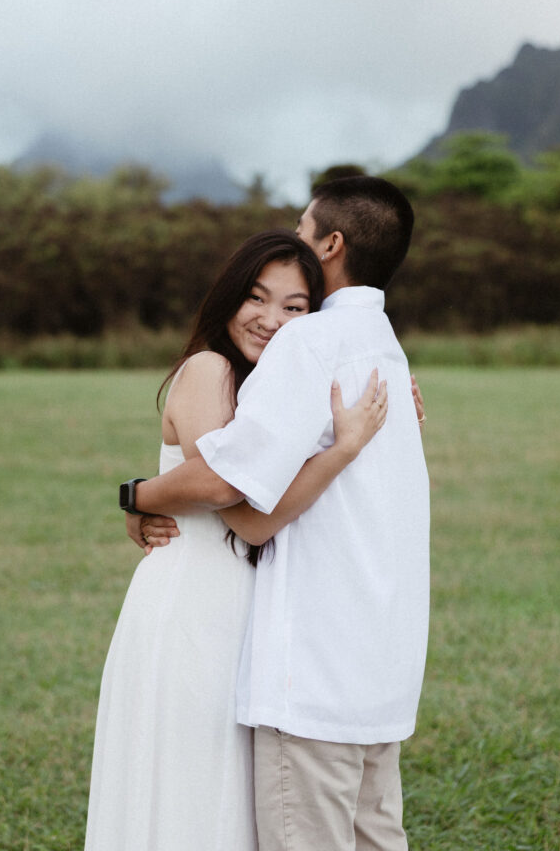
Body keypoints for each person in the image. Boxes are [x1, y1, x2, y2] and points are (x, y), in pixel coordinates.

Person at [128, 177, 429, 851]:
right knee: (375, 836)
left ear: (330, 242)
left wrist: (135, 494)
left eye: (302, 226)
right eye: (259, 299)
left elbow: (226, 492)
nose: (274, 316)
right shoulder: (384, 347)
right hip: (375, 666)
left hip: (313, 667)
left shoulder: (313, 343)